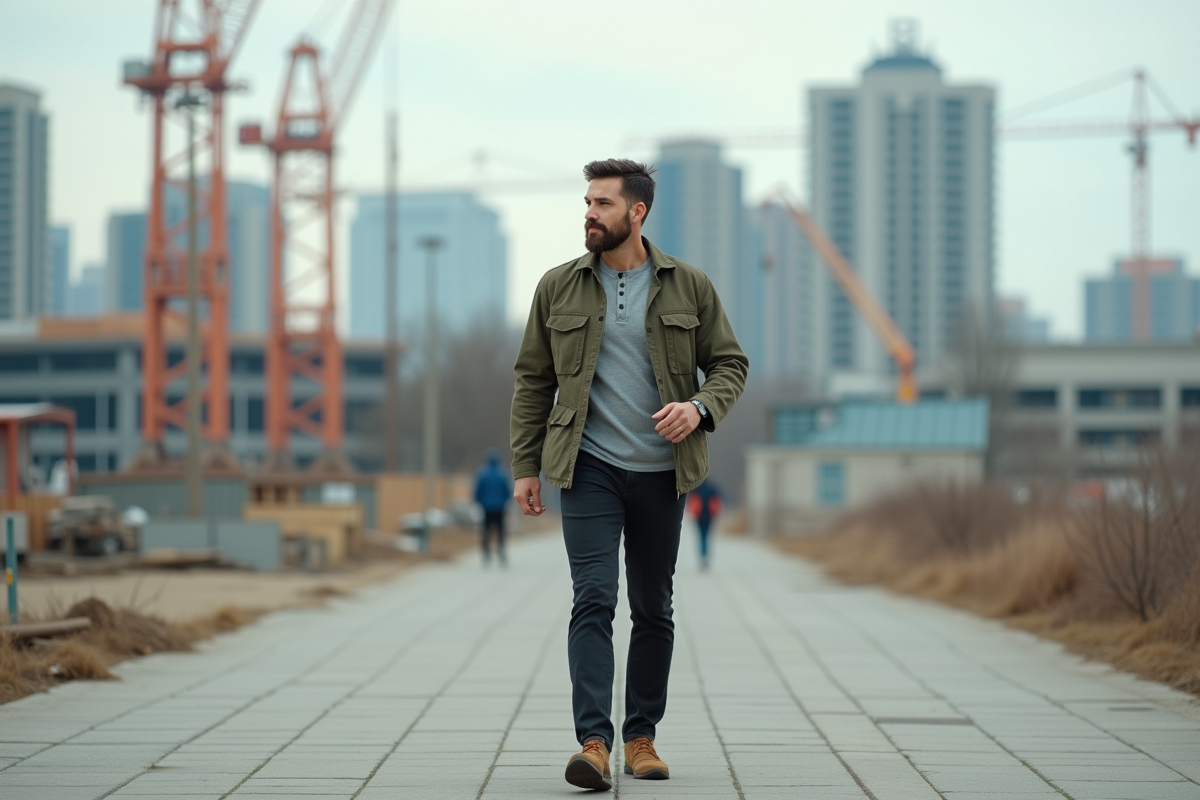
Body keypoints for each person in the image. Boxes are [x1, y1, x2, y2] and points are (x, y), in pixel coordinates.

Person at [510, 159, 748, 791]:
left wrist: (699, 408)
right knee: (593, 598)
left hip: (662, 472)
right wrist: (526, 466)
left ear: (637, 212)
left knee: (652, 607)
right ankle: (594, 743)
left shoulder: (689, 286)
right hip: (587, 467)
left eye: (604, 204)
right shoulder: (557, 286)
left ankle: (641, 737)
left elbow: (730, 363)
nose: (590, 214)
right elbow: (533, 380)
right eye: (588, 202)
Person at [473, 448, 512, 566]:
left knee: (486, 530)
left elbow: (478, 491)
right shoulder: (502, 474)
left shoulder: (482, 474)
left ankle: (486, 553)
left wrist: (478, 502)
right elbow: (507, 491)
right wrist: (506, 503)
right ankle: (501, 551)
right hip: (500, 507)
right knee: (500, 530)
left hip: (486, 508)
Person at [686, 478, 722, 570]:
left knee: (701, 537)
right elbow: (718, 498)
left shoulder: (696, 489)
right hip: (709, 516)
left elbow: (691, 501)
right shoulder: (711, 489)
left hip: (699, 516)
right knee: (706, 536)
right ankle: (706, 557)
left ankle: (702, 556)